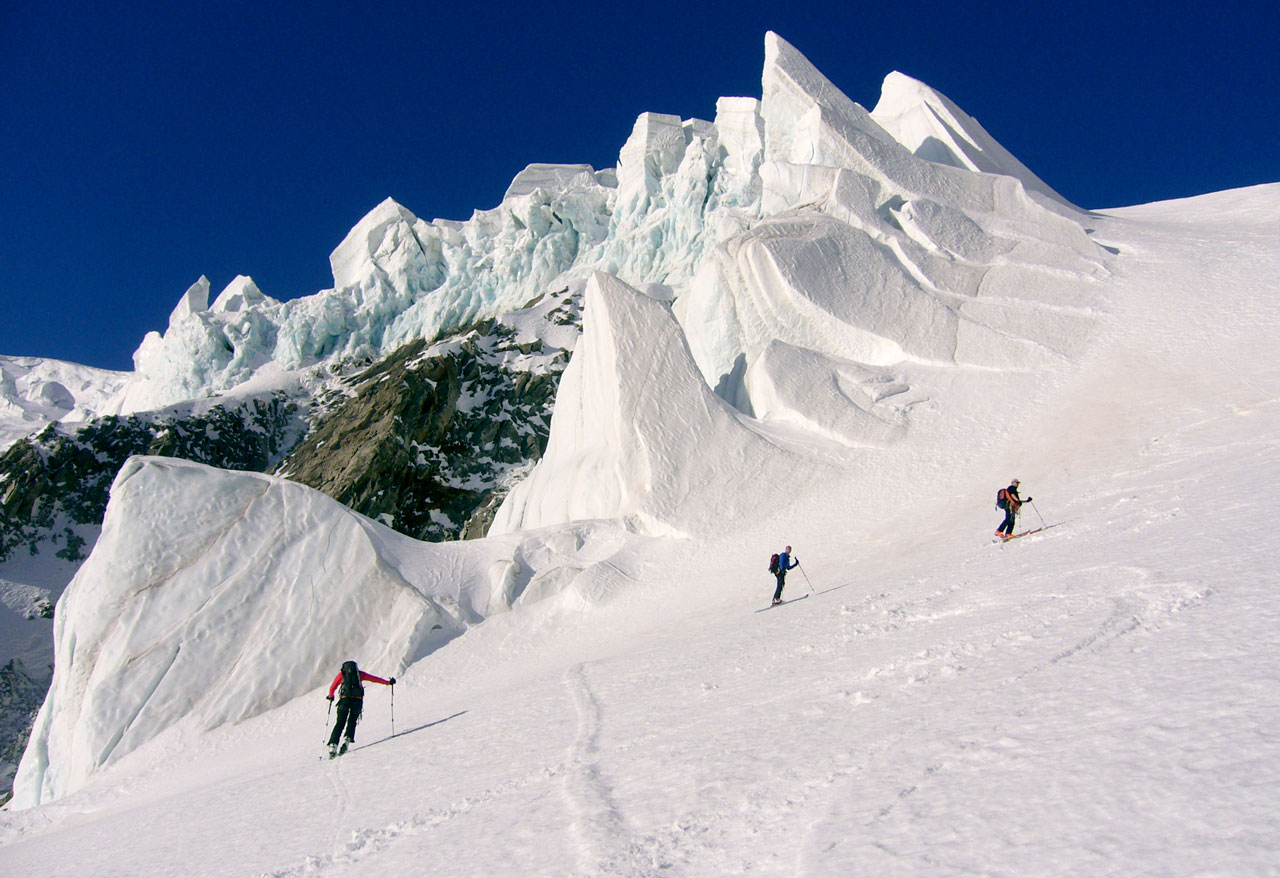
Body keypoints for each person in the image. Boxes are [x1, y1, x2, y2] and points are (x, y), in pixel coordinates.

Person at [326, 659, 395, 757]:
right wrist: (388, 682)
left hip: (344, 700)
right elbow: (374, 679)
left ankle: (333, 746)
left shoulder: (342, 675)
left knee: (340, 723)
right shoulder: (360, 674)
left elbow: (333, 687)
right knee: (352, 721)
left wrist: (331, 696)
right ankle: (347, 740)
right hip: (357, 701)